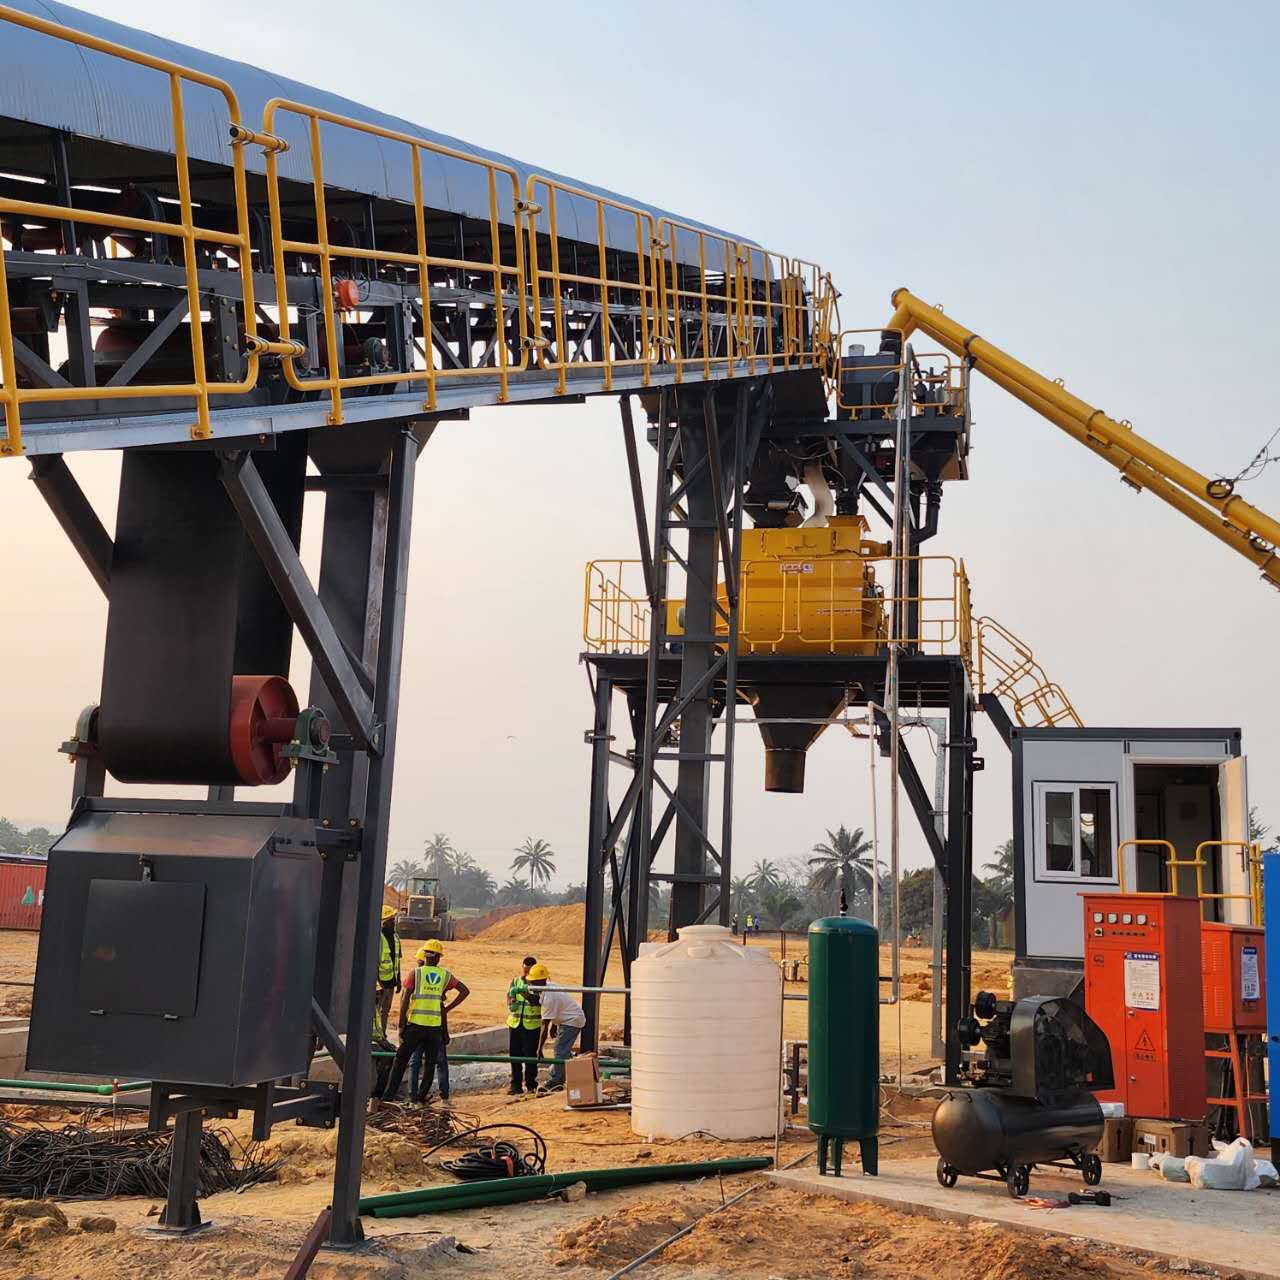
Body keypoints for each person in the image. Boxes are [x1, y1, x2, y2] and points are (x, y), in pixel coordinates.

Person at [377, 940, 468, 1104]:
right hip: (434, 1028)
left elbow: (404, 999)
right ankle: (420, 1098)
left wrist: (401, 1024)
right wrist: (447, 1009)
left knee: (401, 1060)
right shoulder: (444, 976)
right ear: (439, 957)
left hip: (415, 1026)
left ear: (424, 955)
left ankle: (388, 1096)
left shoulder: (415, 974)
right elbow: (464, 991)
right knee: (429, 1065)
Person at [528, 964, 586, 1093]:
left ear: (540, 981)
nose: (531, 984)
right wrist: (555, 1025)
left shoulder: (550, 997)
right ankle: (569, 1067)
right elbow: (559, 1008)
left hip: (571, 1021)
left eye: (533, 982)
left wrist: (539, 1049)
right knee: (562, 1050)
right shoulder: (549, 986)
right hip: (567, 1019)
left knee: (559, 1050)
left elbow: (544, 1025)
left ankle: (556, 1082)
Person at [505, 955, 541, 1095]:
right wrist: (511, 1000)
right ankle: (516, 1085)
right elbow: (509, 994)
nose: (525, 974)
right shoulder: (515, 980)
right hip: (515, 1023)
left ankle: (531, 1084)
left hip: (531, 1025)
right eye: (524, 970)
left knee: (530, 1056)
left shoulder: (538, 983)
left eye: (528, 971)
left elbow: (537, 1001)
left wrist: (524, 994)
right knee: (515, 1055)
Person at [377, 905, 403, 1032]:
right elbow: (374, 962)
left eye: (393, 920)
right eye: (390, 920)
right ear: (383, 923)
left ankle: (382, 1033)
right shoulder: (378, 939)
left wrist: (398, 980)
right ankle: (376, 1035)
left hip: (391, 982)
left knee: (385, 1011)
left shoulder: (396, 938)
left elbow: (397, 961)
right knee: (376, 1011)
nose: (393, 923)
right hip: (380, 983)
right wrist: (377, 983)